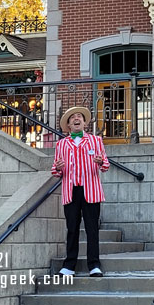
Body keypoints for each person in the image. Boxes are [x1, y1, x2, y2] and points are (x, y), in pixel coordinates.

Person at [51, 106, 109, 277]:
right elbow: (55, 171)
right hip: (71, 191)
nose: (77, 119)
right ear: (69, 125)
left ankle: (94, 265)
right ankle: (69, 266)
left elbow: (105, 165)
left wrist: (100, 162)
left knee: (92, 229)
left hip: (91, 190)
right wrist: (58, 168)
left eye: (80, 117)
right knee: (72, 229)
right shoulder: (61, 144)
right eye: (73, 118)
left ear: (84, 123)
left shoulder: (96, 141)